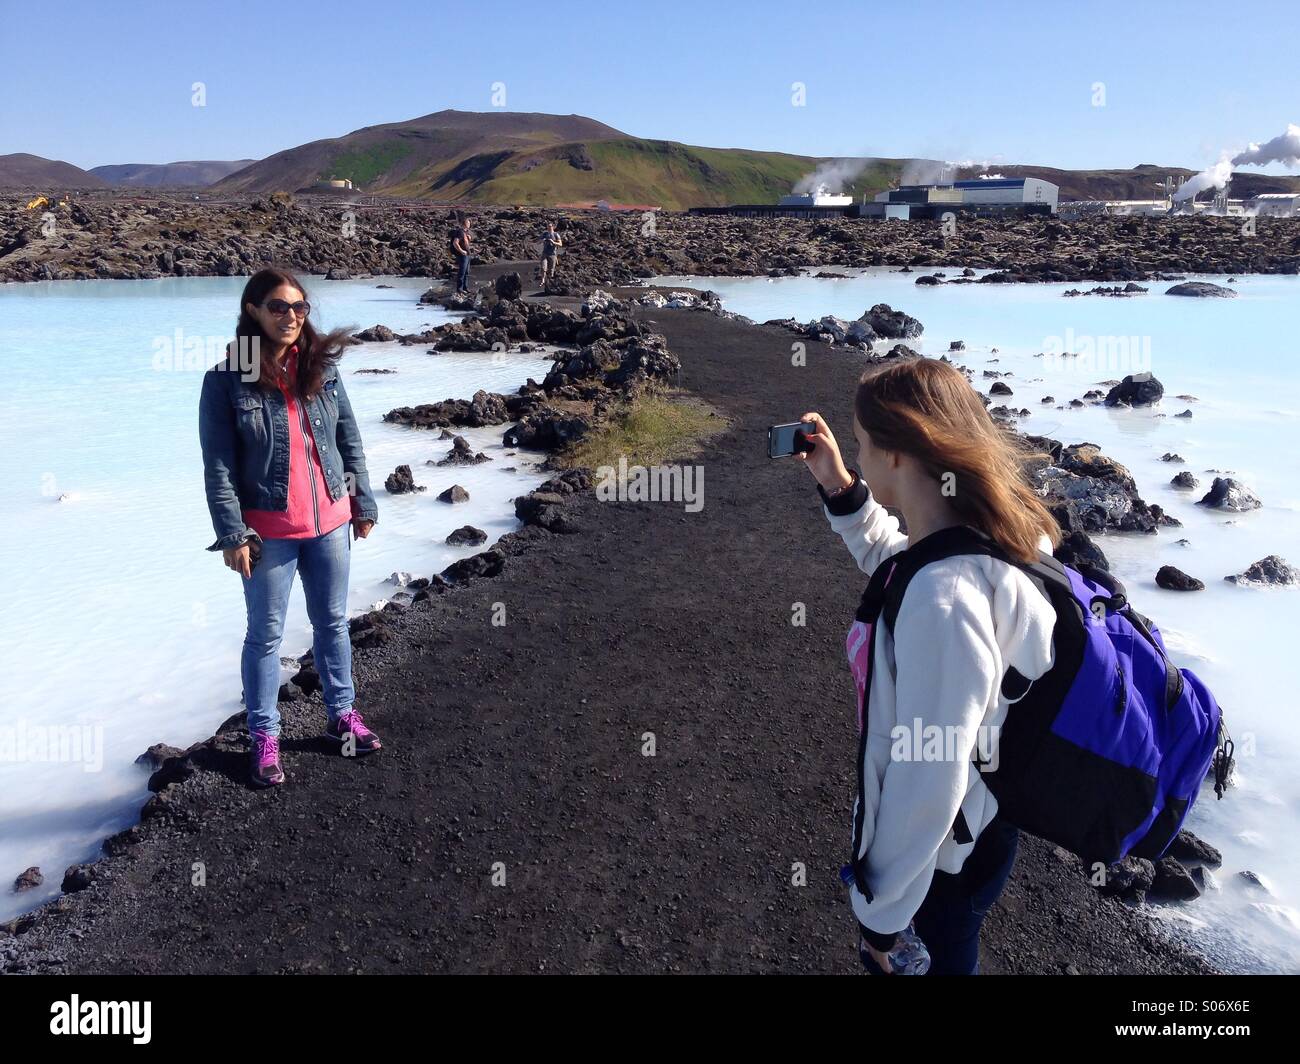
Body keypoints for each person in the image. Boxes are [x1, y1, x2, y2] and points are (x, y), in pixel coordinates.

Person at [796, 357, 1061, 975]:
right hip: (982, 824)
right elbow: (900, 563)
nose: (857, 456)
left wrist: (880, 919)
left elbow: (928, 780)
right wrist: (839, 487)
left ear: (896, 454)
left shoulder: (945, 603)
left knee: (946, 953)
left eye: (861, 445)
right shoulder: (991, 537)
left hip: (947, 854)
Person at [199, 267, 383, 788]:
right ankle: (264, 736)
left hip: (331, 523)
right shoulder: (224, 381)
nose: (292, 317)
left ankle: (341, 717)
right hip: (268, 534)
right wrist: (232, 533)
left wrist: (362, 502)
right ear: (253, 310)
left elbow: (350, 439)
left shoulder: (323, 371)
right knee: (265, 636)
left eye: (300, 307)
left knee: (333, 623)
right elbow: (218, 466)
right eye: (279, 307)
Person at [539, 221, 563, 287]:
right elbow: (538, 242)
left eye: (550, 226)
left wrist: (553, 242)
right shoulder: (544, 234)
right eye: (548, 226)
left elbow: (560, 244)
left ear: (553, 227)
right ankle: (543, 280)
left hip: (552, 254)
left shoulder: (556, 234)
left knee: (551, 270)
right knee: (543, 267)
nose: (549, 228)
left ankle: (549, 282)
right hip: (545, 253)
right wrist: (542, 240)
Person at [451, 220, 472, 294]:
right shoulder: (460, 232)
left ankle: (465, 288)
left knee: (466, 272)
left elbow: (465, 243)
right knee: (462, 272)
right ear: (464, 224)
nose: (469, 225)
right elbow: (455, 243)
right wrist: (461, 251)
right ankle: (459, 289)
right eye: (468, 223)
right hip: (463, 256)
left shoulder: (465, 232)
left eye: (469, 223)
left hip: (467, 255)